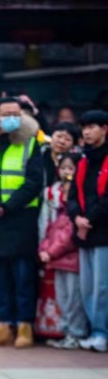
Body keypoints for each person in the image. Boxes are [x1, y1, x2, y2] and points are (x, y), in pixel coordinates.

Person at [0, 97, 43, 349]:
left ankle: (25, 326)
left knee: (23, 276)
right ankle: (4, 325)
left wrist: (8, 206)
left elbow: (34, 182)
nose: (13, 117)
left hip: (20, 218)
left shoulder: (31, 142)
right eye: (8, 113)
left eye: (17, 112)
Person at [67, 110, 108, 353]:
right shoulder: (83, 160)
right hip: (85, 233)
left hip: (102, 232)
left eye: (92, 126)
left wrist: (88, 219)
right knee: (88, 287)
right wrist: (77, 218)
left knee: (102, 286)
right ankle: (95, 330)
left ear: (105, 129)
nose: (86, 131)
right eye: (84, 127)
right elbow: (73, 196)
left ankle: (102, 331)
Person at [39, 154, 87, 350]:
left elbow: (68, 236)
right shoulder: (57, 209)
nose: (66, 173)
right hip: (56, 259)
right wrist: (44, 249)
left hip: (71, 259)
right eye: (63, 168)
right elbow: (50, 231)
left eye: (71, 168)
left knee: (74, 299)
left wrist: (50, 252)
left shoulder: (74, 212)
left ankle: (76, 333)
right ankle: (67, 332)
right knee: (62, 298)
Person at [41, 122, 81, 189]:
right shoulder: (40, 154)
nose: (62, 141)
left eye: (67, 139)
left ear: (73, 144)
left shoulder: (77, 161)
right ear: (52, 136)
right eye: (59, 136)